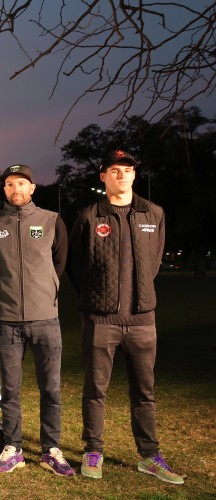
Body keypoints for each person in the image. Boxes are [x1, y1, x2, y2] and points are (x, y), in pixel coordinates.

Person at [68, 150, 184, 484]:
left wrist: (139, 296)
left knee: (144, 392)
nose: (122, 175)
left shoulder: (153, 212)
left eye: (128, 170)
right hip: (100, 320)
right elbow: (76, 267)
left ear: (135, 176)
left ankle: (149, 456)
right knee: (95, 390)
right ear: (102, 176)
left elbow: (155, 261)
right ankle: (93, 450)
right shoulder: (89, 215)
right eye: (115, 170)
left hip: (142, 320)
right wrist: (97, 299)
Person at [0, 164, 74, 476]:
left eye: (21, 183)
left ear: (32, 188)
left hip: (45, 319)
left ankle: (51, 449)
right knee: (10, 390)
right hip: (6, 320)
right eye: (9, 184)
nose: (15, 189)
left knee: (51, 389)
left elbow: (59, 263)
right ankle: (13, 448)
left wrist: (44, 290)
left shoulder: (51, 220)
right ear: (4, 190)